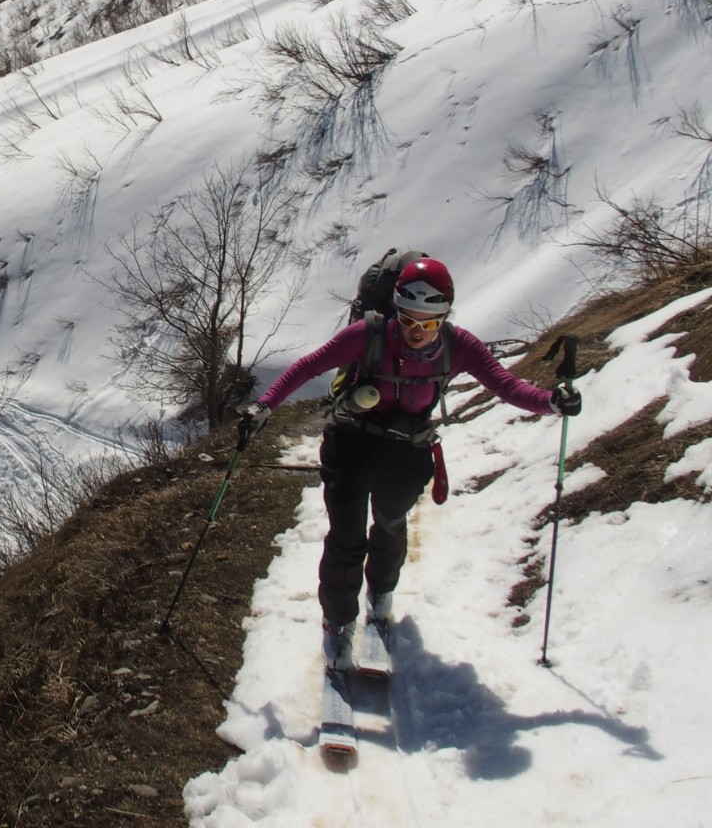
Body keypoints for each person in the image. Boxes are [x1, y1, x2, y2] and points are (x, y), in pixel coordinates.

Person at [233, 257, 581, 670]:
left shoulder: (459, 345)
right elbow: (310, 365)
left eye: (429, 324)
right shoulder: (370, 334)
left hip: (406, 449)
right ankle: (339, 621)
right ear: (396, 310)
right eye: (409, 320)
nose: (417, 332)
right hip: (351, 440)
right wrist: (264, 405)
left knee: (390, 522)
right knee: (346, 535)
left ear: (444, 317)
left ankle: (381, 592)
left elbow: (506, 385)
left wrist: (550, 402)